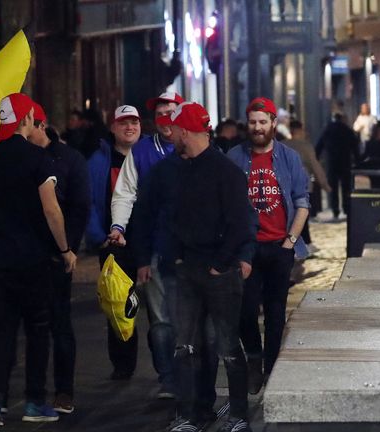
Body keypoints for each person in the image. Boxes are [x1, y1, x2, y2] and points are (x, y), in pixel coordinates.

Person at [0, 93, 76, 426]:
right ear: (26, 118)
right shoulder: (38, 159)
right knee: (37, 329)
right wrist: (65, 249)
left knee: (0, 328)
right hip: (33, 258)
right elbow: (51, 209)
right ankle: (34, 403)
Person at [164, 101, 255, 432]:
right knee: (185, 345)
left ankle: (239, 414)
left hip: (219, 271)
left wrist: (221, 264)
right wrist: (175, 254)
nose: (170, 135)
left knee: (228, 345)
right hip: (189, 268)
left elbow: (241, 222)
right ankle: (188, 414)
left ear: (185, 132)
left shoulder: (224, 171)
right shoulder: (180, 168)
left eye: (174, 130)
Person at [227, 97, 310, 395]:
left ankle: (272, 370)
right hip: (247, 249)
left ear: (274, 123)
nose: (258, 127)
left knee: (276, 313)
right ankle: (254, 357)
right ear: (247, 124)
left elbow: (302, 201)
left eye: (263, 122)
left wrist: (290, 241)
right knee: (245, 311)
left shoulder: (288, 158)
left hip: (279, 247)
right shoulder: (234, 157)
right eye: (253, 122)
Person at [110, 91, 184, 398]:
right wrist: (118, 225)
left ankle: (191, 374)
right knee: (162, 319)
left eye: (171, 111)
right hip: (156, 248)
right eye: (160, 112)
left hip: (193, 249)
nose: (165, 118)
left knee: (192, 317)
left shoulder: (195, 147)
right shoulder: (141, 152)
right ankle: (168, 377)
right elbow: (125, 193)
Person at [27, 102, 90, 414]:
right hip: (24, 254)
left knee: (59, 323)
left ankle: (64, 390)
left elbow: (79, 207)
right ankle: (33, 391)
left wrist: (69, 249)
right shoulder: (21, 158)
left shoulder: (68, 160)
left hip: (54, 254)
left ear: (39, 125)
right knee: (30, 326)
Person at [85, 104, 141, 380]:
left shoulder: (148, 158)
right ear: (113, 128)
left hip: (146, 244)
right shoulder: (99, 162)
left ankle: (166, 369)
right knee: (118, 306)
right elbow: (90, 204)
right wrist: (99, 238)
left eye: (134, 122)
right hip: (114, 246)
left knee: (158, 309)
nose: (129, 127)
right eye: (123, 123)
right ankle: (122, 363)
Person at [285, 120, 331, 250]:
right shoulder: (305, 146)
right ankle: (305, 243)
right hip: (302, 185)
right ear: (299, 130)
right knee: (302, 215)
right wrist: (324, 184)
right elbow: (315, 166)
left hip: (284, 185)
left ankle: (298, 243)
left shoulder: (282, 145)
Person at [316, 112, 361, 220]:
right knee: (346, 187)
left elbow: (320, 145)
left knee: (333, 187)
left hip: (332, 162)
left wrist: (316, 157)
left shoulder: (328, 129)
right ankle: (346, 208)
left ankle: (335, 209)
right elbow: (355, 146)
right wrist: (358, 161)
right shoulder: (347, 130)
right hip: (345, 162)